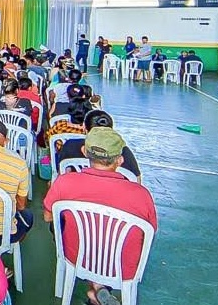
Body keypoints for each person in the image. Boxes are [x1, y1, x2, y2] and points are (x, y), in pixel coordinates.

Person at [44, 127, 157, 305]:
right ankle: (98, 290)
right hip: (123, 267)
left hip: (78, 257)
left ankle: (96, 287)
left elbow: (48, 217)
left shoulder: (65, 182)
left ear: (84, 152)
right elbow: (149, 233)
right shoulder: (141, 195)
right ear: (119, 160)